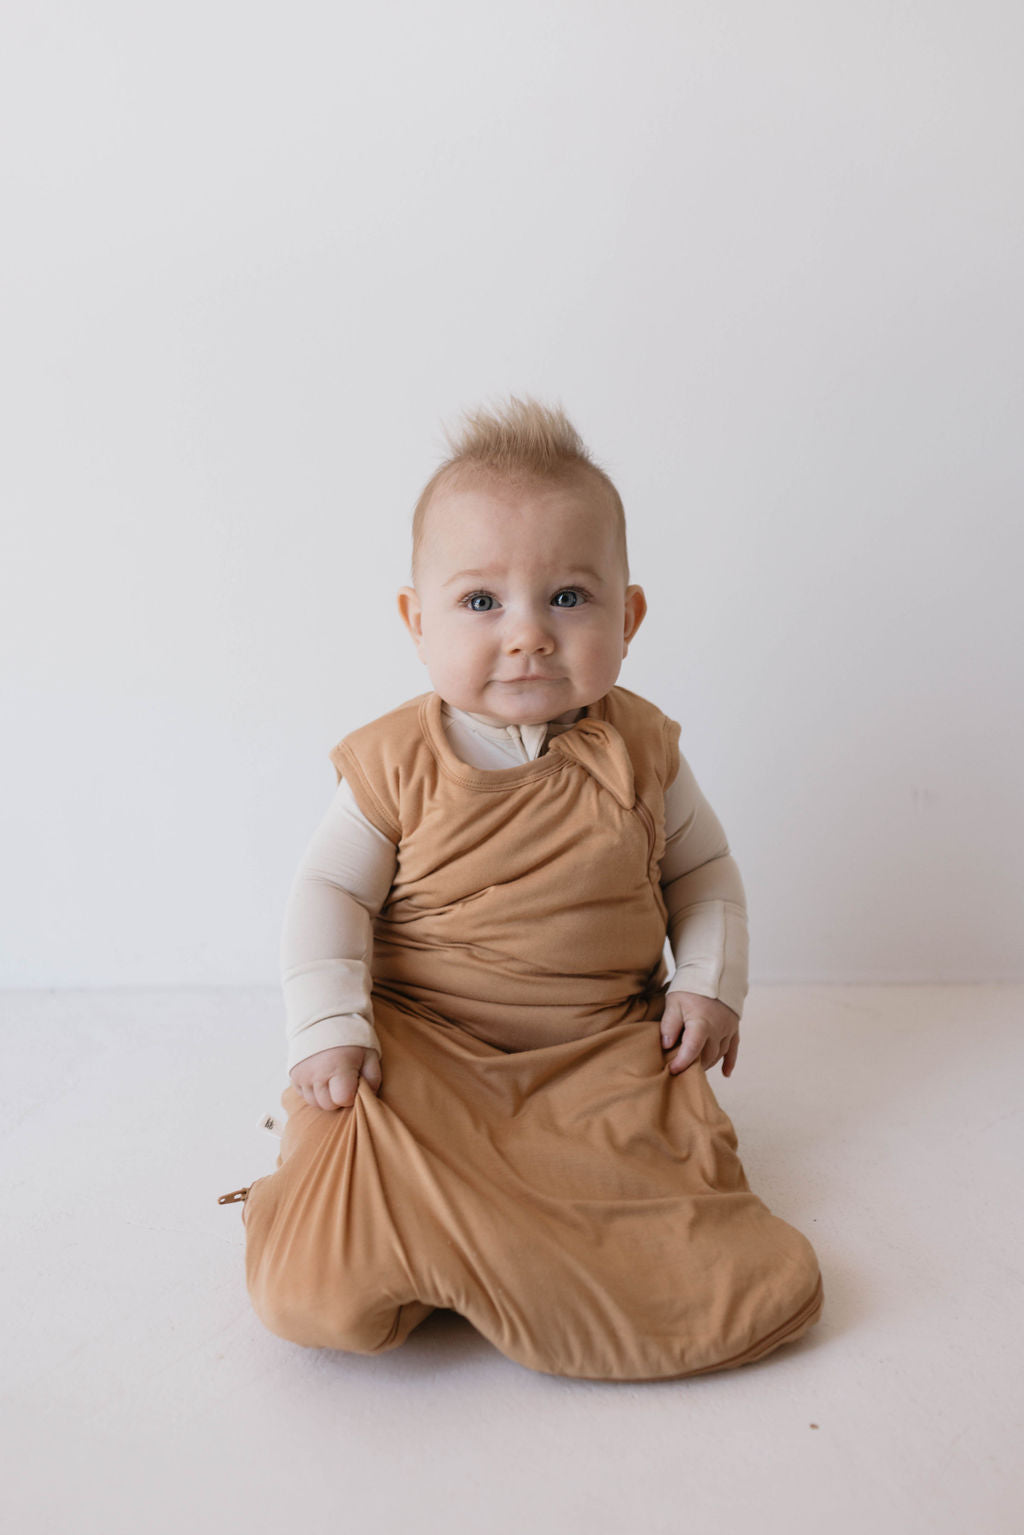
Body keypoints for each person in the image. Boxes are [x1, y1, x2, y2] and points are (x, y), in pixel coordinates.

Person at [233, 395, 824, 1381]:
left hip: (598, 1054)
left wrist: (706, 982)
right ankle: (421, 1231)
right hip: (426, 1044)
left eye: (566, 597)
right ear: (415, 621)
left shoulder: (642, 751)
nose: (526, 636)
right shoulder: (391, 764)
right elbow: (327, 894)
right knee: (318, 1270)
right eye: (479, 601)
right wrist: (330, 1023)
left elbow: (704, 874)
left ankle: (514, 1250)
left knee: (662, 1164)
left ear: (627, 616)